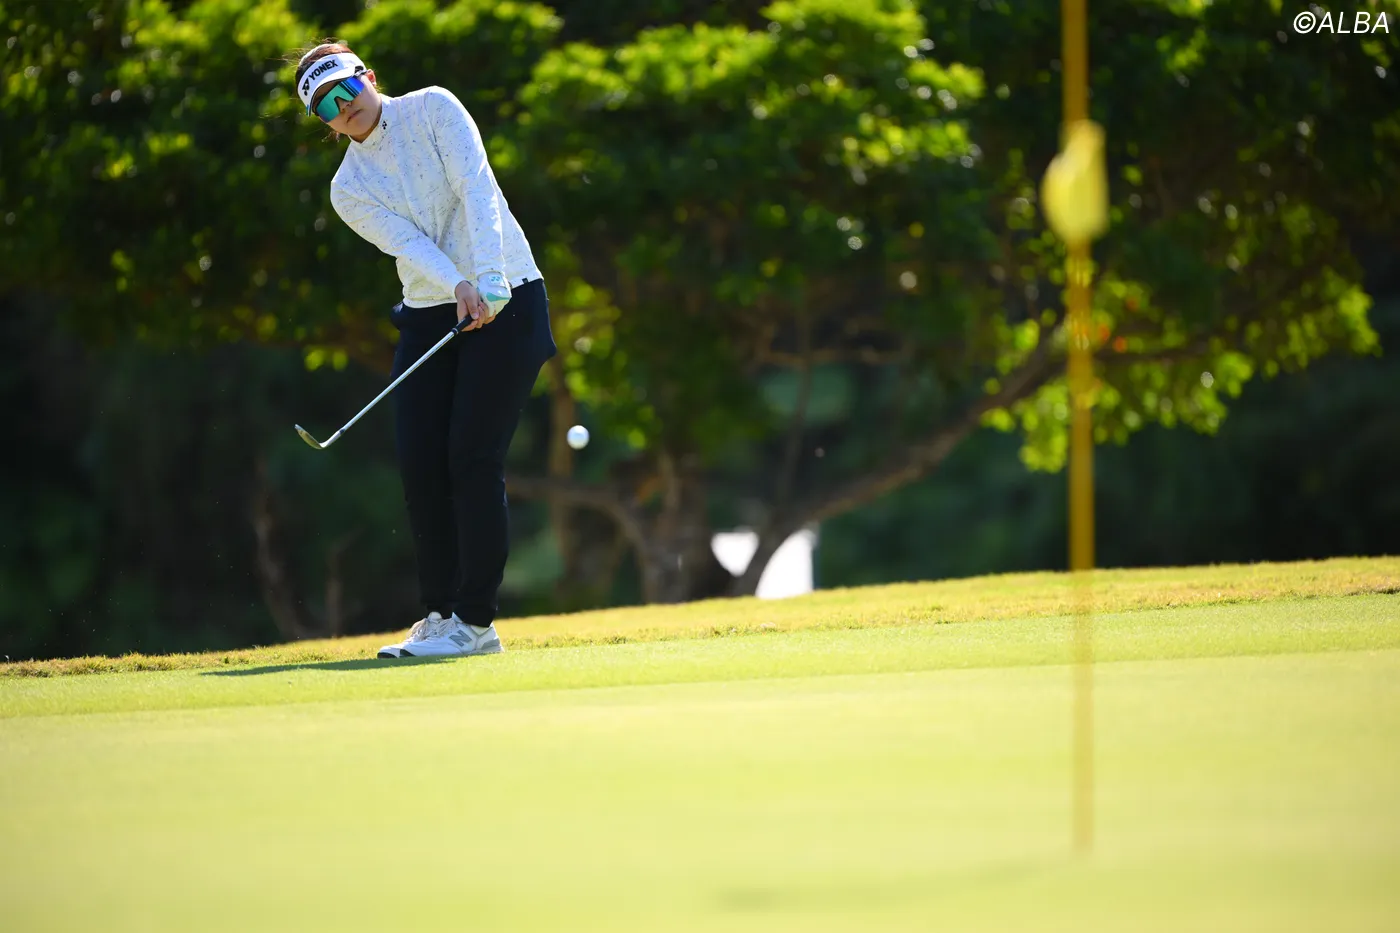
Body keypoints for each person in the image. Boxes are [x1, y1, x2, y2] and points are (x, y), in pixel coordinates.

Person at [292, 42, 557, 658]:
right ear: (325, 123)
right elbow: (409, 244)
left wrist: (489, 276)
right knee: (420, 465)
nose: (343, 106)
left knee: (471, 457)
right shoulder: (347, 188)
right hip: (431, 308)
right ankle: (439, 614)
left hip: (510, 292)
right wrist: (459, 285)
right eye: (326, 106)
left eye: (346, 88)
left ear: (368, 77)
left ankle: (475, 623)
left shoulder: (434, 108)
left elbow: (476, 187)